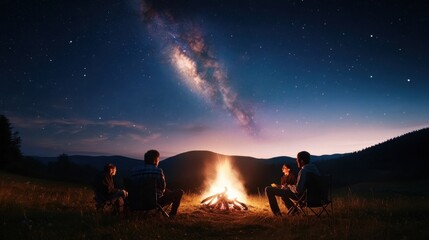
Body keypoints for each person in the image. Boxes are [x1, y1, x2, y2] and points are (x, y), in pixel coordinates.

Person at [130, 149, 184, 217]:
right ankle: (172, 215)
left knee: (164, 190)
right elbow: (162, 188)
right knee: (179, 192)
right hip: (153, 202)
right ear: (155, 160)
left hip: (136, 201)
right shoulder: (157, 171)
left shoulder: (134, 171)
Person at [265, 151, 320, 216]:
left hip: (304, 198)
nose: (296, 160)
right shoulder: (316, 170)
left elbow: (298, 190)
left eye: (297, 159)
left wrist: (289, 187)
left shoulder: (303, 171)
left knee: (268, 189)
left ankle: (277, 215)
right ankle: (295, 212)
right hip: (318, 198)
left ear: (301, 161)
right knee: (284, 194)